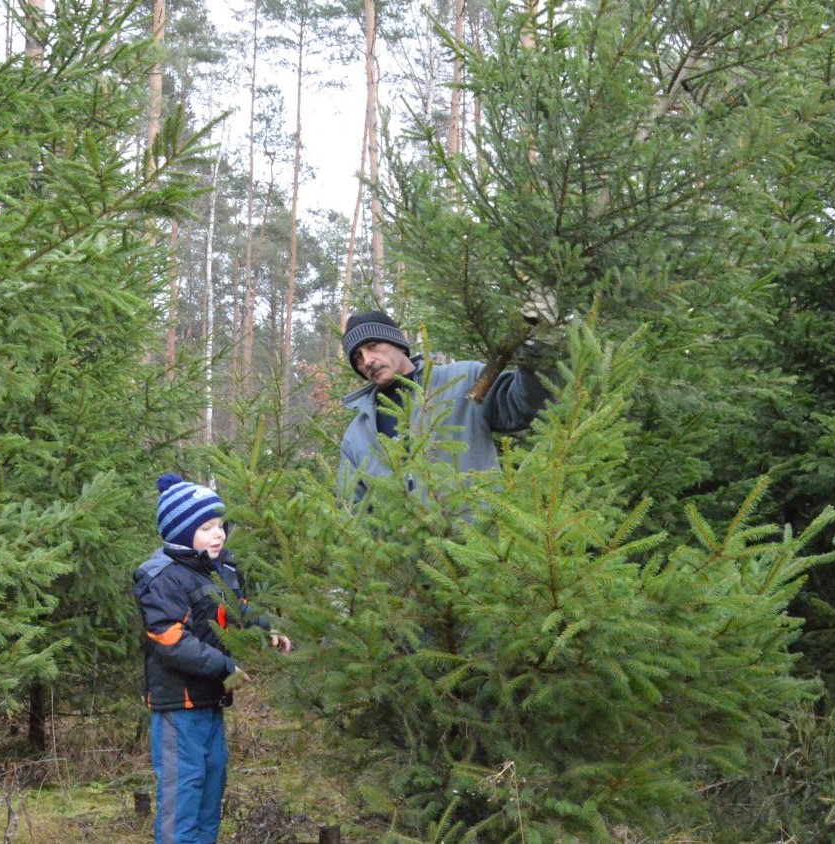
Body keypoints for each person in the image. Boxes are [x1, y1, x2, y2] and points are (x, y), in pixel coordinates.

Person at [134, 473, 292, 844]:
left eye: (221, 525)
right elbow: (169, 639)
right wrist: (225, 667)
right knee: (182, 789)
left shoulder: (220, 570)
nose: (218, 534)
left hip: (211, 698)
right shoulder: (162, 578)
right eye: (206, 527)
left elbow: (238, 610)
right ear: (180, 531)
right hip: (178, 704)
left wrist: (266, 628)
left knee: (211, 782)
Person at [337, 309, 550, 500]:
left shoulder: (465, 380)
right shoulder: (356, 435)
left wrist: (536, 346)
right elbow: (350, 512)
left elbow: (526, 405)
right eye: (357, 357)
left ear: (398, 343)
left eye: (372, 346)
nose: (367, 361)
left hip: (477, 540)